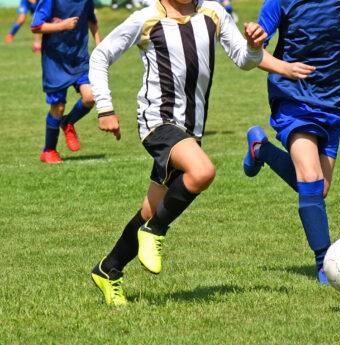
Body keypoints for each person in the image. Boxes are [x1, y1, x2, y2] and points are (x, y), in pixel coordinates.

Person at [89, 0, 313, 306]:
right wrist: (105, 108)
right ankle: (154, 232)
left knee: (151, 209)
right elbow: (101, 55)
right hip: (157, 122)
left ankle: (108, 268)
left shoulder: (213, 12)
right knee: (203, 171)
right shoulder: (147, 18)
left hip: (190, 129)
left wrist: (257, 48)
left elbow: (244, 59)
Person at [243, 0, 340, 284]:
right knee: (310, 178)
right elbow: (255, 53)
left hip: (332, 100)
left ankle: (260, 149)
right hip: (293, 98)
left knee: (319, 188)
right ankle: (325, 262)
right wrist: (255, 36)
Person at [31, 0, 101, 163]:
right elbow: (36, 26)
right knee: (58, 107)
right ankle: (49, 151)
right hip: (55, 60)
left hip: (79, 59)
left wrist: (100, 45)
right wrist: (62, 26)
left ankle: (68, 122)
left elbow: (92, 20)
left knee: (90, 96)